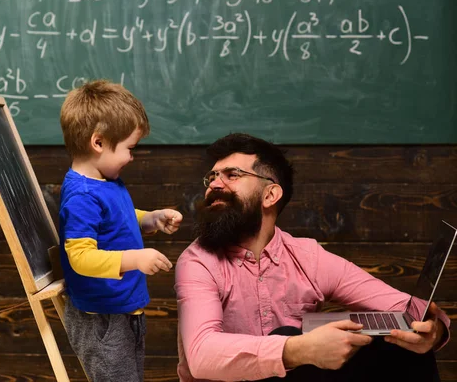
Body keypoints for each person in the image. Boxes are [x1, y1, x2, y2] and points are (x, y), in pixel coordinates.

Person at [175, 133, 450, 382]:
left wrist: (433, 331)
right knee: (288, 338)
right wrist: (299, 349)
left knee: (399, 344)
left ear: (270, 194)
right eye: (211, 177)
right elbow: (201, 356)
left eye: (231, 175)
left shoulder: (309, 257)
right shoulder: (198, 260)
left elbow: (405, 308)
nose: (214, 185)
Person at [58, 80, 183, 382]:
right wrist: (135, 260)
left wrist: (149, 219)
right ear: (98, 142)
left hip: (121, 310)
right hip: (102, 319)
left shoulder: (105, 182)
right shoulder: (82, 196)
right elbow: (80, 256)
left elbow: (116, 219)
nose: (131, 157)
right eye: (129, 148)